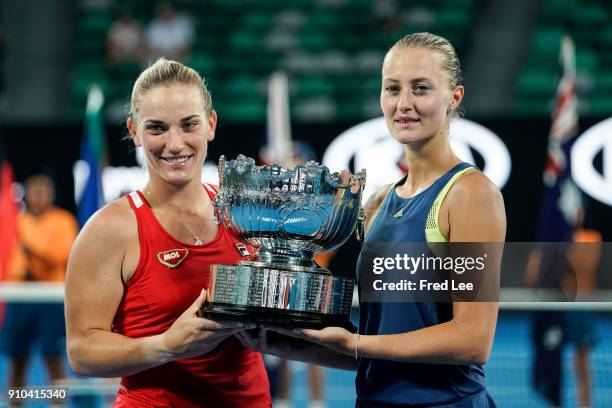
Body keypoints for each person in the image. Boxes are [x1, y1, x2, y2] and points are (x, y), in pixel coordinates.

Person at [238, 32, 506, 407]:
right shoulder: (379, 201)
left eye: (421, 88)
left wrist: (355, 341)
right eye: (392, 88)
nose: (404, 103)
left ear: (454, 97)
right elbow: (380, 353)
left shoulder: (471, 195)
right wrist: (286, 344)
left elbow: (472, 341)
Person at [64, 58, 271, 407]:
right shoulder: (109, 229)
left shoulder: (245, 213)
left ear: (211, 124)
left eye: (189, 125)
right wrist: (166, 346)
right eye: (157, 128)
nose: (175, 144)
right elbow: (82, 351)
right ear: (134, 131)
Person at [1, 169, 78, 389]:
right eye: (34, 191)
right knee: (17, 361)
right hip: (18, 298)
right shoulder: (14, 221)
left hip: (50, 299)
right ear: (26, 194)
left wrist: (32, 252)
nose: (38, 196)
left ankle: (58, 405)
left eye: (43, 191)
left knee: (52, 359)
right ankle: (16, 405)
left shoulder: (64, 220)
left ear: (52, 194)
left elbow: (62, 255)